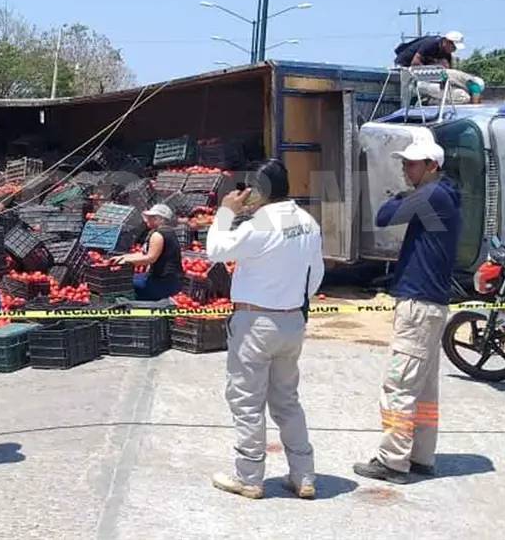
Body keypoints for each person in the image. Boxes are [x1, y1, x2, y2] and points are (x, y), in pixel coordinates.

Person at [205, 159, 324, 500]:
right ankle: (303, 476)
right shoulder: (307, 222)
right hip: (292, 320)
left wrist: (225, 213)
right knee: (287, 400)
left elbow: (215, 250)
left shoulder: (260, 224)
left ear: (261, 189)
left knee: (246, 401)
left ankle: (249, 476)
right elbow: (314, 277)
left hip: (256, 322)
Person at [353, 140, 461, 485]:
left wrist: (402, 196)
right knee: (423, 390)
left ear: (431, 165)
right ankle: (420, 456)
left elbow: (384, 216)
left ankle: (392, 461)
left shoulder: (431, 195)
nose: (405, 169)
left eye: (412, 164)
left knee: (398, 385)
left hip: (417, 306)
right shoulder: (442, 195)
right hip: (430, 304)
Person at [108, 203, 182, 300]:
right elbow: (144, 254)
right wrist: (124, 257)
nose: (147, 220)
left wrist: (126, 261)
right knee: (133, 278)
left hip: (162, 283)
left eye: (152, 217)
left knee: (121, 283)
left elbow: (150, 258)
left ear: (161, 219)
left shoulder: (158, 235)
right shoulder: (168, 232)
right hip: (170, 281)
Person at [393, 31, 464, 68]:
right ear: (446, 41)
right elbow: (415, 62)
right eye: (454, 47)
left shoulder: (447, 54)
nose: (454, 50)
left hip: (418, 67)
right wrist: (433, 69)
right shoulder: (431, 44)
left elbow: (449, 69)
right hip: (404, 64)